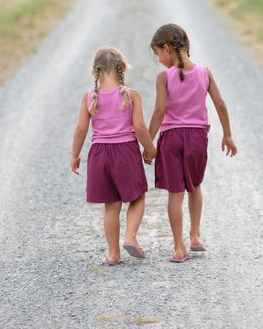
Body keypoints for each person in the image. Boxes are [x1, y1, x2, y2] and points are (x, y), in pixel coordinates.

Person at [145, 23, 237, 263]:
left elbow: (159, 111)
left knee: (175, 194)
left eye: (158, 55)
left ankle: (179, 247)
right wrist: (227, 134)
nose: (160, 60)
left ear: (167, 48)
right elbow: (221, 104)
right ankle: (195, 235)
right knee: (195, 186)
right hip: (197, 138)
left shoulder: (164, 77)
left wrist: (149, 143)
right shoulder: (205, 72)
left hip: (171, 138)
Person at [71, 47, 156, 265]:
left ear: (94, 71)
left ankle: (113, 254)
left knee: (111, 205)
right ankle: (130, 237)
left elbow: (81, 129)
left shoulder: (90, 97)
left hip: (99, 154)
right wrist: (150, 148)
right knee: (137, 197)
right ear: (123, 68)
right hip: (125, 151)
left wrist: (75, 155)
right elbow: (139, 126)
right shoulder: (131, 94)